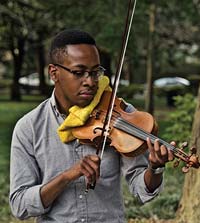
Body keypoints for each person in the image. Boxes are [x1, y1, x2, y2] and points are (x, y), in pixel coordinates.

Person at [9, 29, 174, 223]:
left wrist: (155, 169)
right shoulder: (29, 127)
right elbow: (19, 204)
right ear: (54, 73)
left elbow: (141, 190)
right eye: (79, 73)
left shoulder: (119, 112)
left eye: (95, 72)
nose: (90, 82)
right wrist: (67, 176)